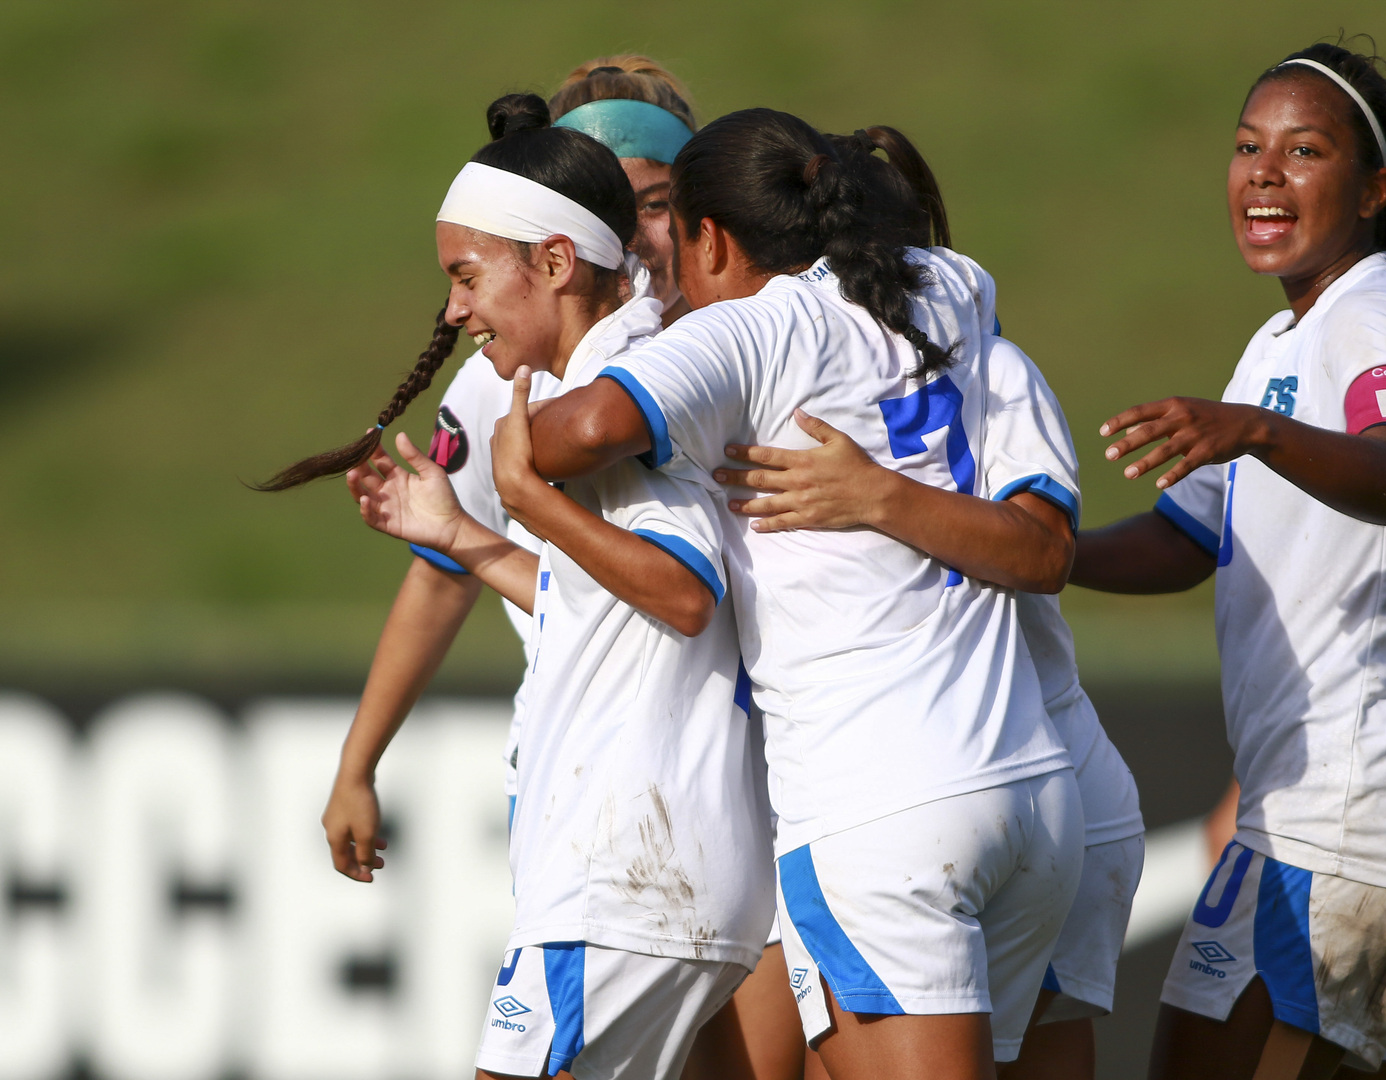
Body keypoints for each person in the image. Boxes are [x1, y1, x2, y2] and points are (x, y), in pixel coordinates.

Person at [506, 108, 1087, 1080]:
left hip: (882, 808)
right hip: (1030, 792)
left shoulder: (756, 328)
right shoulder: (942, 288)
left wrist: (519, 458)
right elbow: (1040, 544)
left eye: (678, 240)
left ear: (715, 237)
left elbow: (590, 424)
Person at [1067, 42, 1386, 1079]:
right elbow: (1187, 538)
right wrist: (1047, 558)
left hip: (1348, 822)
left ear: (1376, 189)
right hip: (1381, 818)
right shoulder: (1282, 347)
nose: (1263, 171)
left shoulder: (1374, 316)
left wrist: (1253, 434)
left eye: (1304, 149)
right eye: (1246, 147)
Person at [336, 92, 776, 1078]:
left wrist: (526, 496)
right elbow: (609, 611)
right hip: (640, 879)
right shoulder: (596, 390)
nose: (453, 309)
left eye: (465, 276)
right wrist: (467, 534)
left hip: (627, 877)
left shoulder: (623, 400)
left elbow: (684, 592)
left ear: (555, 263)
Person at [712, 128, 1145, 1080]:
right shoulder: (971, 368)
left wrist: (875, 494)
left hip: (946, 781)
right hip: (1040, 781)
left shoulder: (933, 378)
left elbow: (1042, 552)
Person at [254, 54, 701, 892]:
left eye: (658, 205)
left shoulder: (749, 348)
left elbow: (692, 596)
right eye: (617, 207)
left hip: (735, 770)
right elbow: (444, 575)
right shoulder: (500, 383)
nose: (638, 237)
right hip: (591, 773)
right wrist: (357, 764)